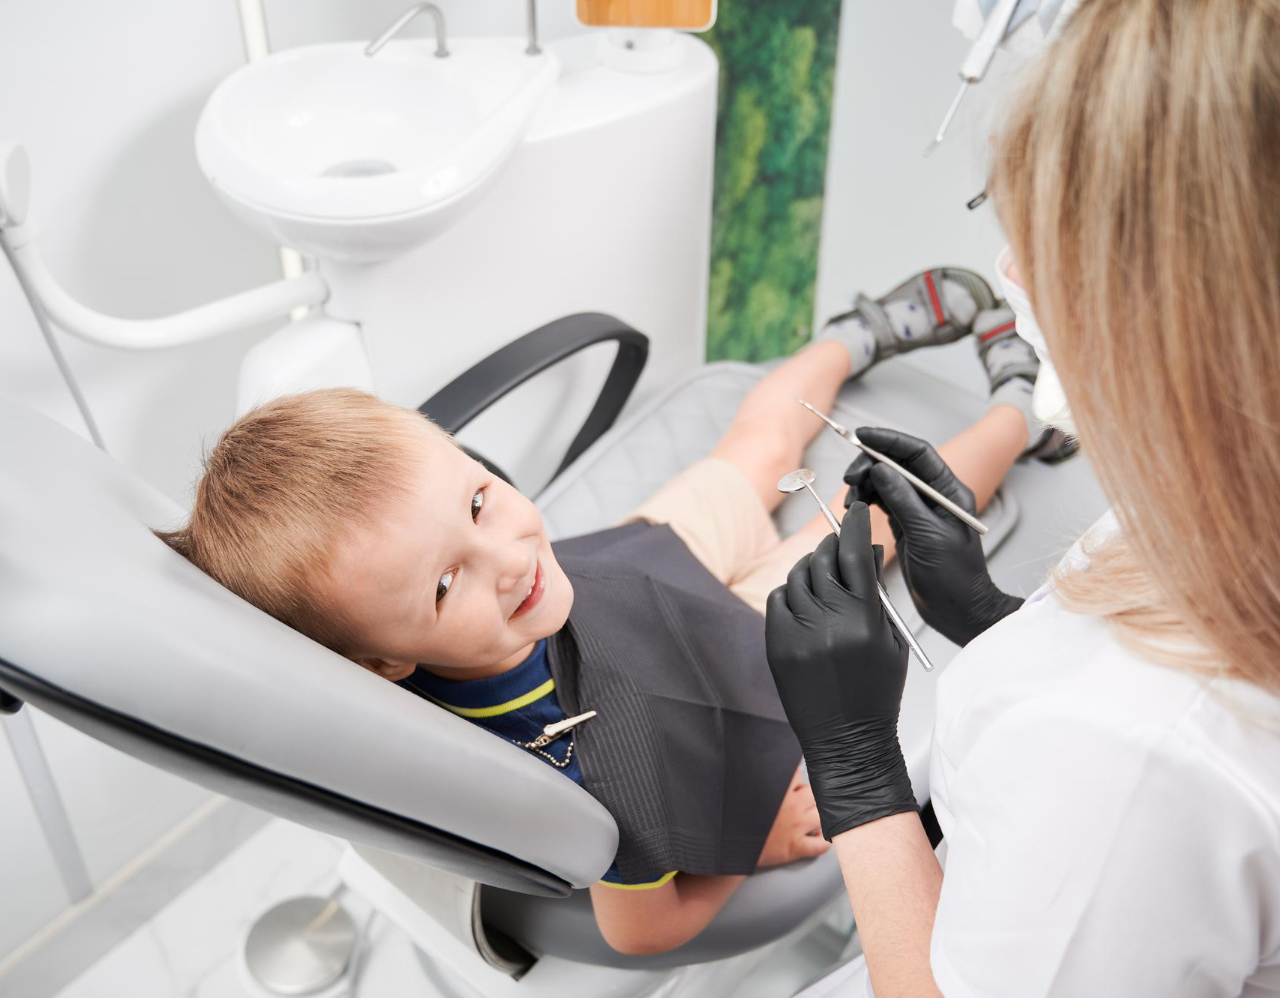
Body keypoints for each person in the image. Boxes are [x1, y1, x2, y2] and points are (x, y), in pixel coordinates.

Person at [157, 268, 1053, 955]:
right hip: (743, 639)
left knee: (759, 442)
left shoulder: (523, 584)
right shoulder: (581, 767)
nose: (510, 560)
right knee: (888, 516)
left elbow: (506, 561)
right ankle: (1026, 408)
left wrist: (468, 564)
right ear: (387, 662)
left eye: (477, 501)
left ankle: (858, 334)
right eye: (444, 585)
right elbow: (639, 930)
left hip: (637, 565)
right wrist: (761, 848)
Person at [766, 1, 1280, 994]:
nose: (1008, 271)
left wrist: (858, 770)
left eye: (1053, 241)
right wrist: (985, 615)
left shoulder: (1126, 761)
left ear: (1180, 327)